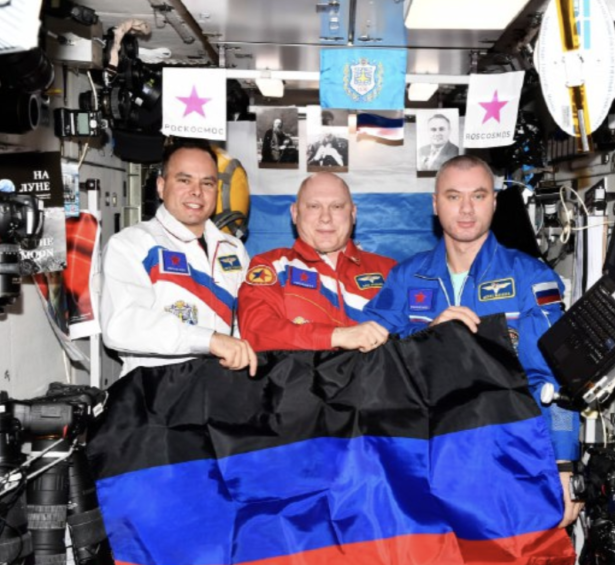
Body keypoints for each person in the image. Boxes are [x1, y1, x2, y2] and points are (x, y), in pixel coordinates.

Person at [365, 154, 582, 528]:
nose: (466, 209)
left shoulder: (529, 277)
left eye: (478, 196)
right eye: (453, 196)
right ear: (435, 205)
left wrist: (564, 466)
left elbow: (557, 378)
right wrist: (428, 339)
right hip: (423, 460)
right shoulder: (405, 278)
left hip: (508, 457)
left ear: (494, 202)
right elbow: (366, 362)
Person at [101, 138, 257, 380]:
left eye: (207, 183)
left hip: (223, 389)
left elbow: (247, 320)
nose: (196, 191)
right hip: (156, 393)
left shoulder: (233, 249)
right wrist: (209, 341)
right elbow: (122, 325)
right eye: (184, 180)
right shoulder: (133, 245)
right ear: (161, 186)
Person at [238, 172, 394, 352]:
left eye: (336, 206)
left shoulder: (388, 270)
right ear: (295, 213)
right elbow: (256, 331)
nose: (325, 218)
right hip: (299, 380)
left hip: (373, 379)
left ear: (353, 213)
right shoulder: (272, 266)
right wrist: (336, 336)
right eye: (313, 206)